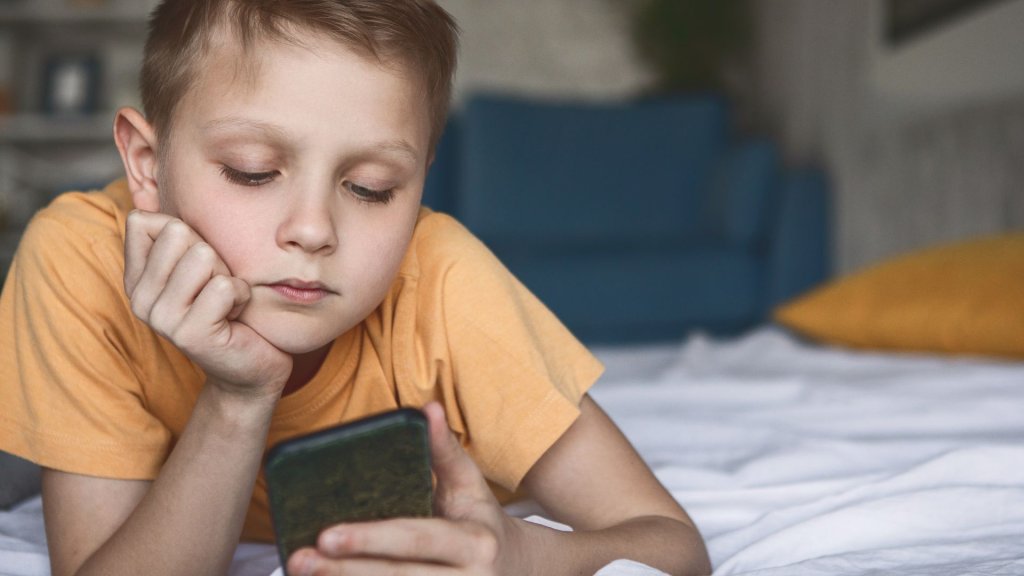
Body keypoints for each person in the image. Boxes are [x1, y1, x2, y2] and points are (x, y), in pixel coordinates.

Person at [0, 1, 711, 575]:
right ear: (148, 166)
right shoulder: (80, 262)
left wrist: (525, 554)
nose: (313, 231)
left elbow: (673, 545)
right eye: (253, 171)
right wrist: (239, 396)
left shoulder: (445, 284)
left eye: (372, 189)